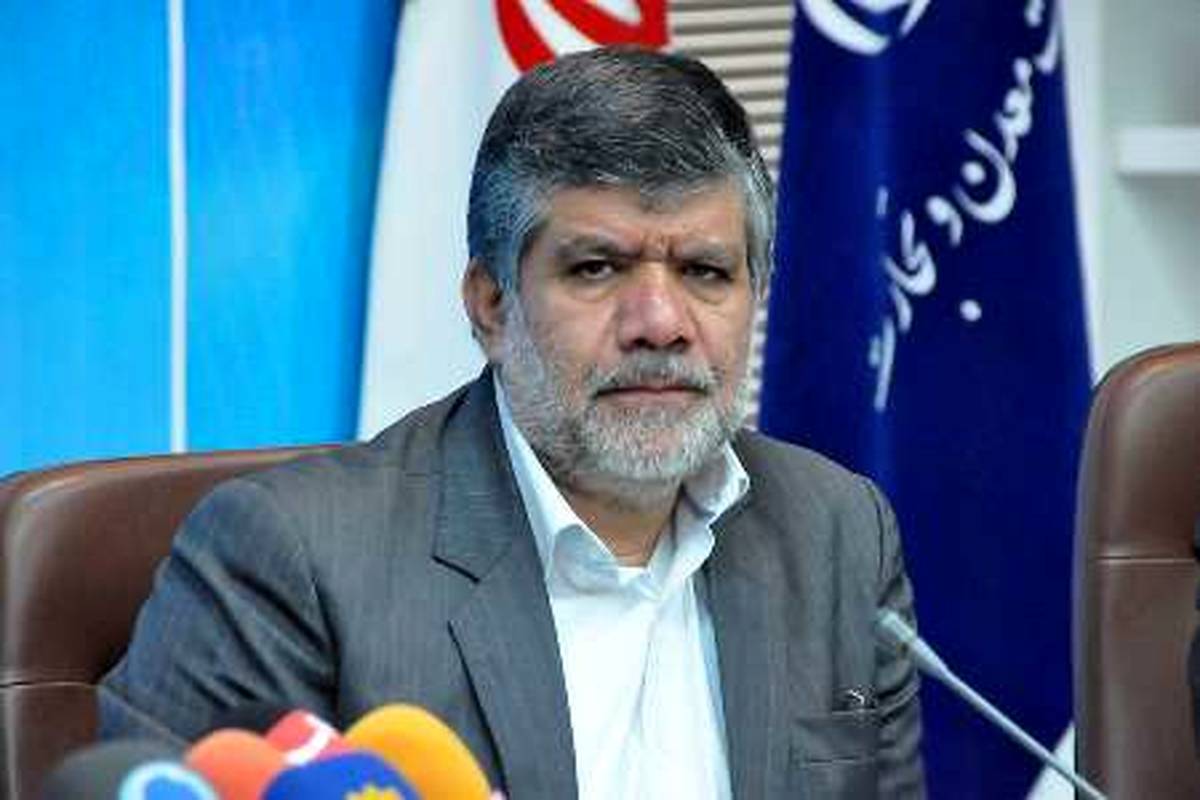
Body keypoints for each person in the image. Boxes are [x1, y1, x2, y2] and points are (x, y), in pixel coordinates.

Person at [100, 47, 925, 798]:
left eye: (706, 272)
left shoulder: (838, 534)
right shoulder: (293, 559)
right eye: (597, 268)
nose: (661, 323)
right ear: (492, 305)